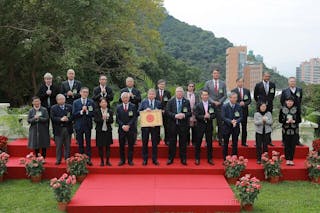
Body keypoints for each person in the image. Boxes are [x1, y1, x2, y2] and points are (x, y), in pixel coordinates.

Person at [166, 87, 192, 165]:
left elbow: (190, 113)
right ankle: (171, 158)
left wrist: (184, 115)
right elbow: (167, 112)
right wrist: (175, 115)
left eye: (181, 92)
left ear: (183, 93)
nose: (179, 93)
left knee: (183, 143)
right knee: (172, 143)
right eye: (178, 92)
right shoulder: (171, 101)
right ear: (175, 93)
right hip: (173, 125)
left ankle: (183, 159)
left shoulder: (186, 101)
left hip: (183, 126)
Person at [138, 89, 162, 166]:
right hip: (145, 127)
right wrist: (145, 110)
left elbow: (162, 112)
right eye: (150, 94)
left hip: (155, 127)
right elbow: (138, 111)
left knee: (155, 143)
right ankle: (145, 159)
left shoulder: (158, 103)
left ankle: (154, 159)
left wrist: (158, 111)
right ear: (147, 95)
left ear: (155, 95)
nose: (151, 95)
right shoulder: (143, 102)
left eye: (153, 94)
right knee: (145, 143)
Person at [204, 69, 227, 146]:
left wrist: (219, 102)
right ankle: (208, 141)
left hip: (220, 106)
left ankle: (220, 140)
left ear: (219, 74)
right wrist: (213, 101)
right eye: (214, 73)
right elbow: (206, 94)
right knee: (209, 124)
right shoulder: (208, 83)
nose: (216, 74)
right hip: (210, 106)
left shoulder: (223, 83)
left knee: (220, 124)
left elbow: (225, 95)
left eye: (217, 73)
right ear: (212, 74)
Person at [72, 87, 95, 166]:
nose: (85, 93)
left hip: (88, 125)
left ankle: (88, 159)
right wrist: (81, 111)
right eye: (84, 92)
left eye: (87, 92)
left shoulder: (91, 102)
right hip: (79, 125)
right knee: (80, 143)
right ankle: (81, 159)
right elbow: (74, 114)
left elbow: (93, 114)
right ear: (80, 93)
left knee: (88, 143)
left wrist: (87, 111)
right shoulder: (76, 102)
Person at [254, 72, 276, 146]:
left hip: (269, 106)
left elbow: (273, 95)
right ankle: (258, 141)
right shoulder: (258, 85)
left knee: (268, 123)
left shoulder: (272, 85)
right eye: (266, 76)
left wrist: (268, 102)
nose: (267, 77)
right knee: (259, 122)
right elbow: (255, 96)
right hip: (260, 106)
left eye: (268, 76)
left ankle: (268, 140)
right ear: (263, 76)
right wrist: (261, 103)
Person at [194, 90, 215, 165]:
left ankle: (210, 158)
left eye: (206, 95)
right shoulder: (198, 105)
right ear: (201, 96)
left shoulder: (211, 104)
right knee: (198, 143)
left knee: (209, 143)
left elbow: (214, 115)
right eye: (204, 95)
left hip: (209, 126)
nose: (205, 96)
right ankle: (197, 158)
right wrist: (203, 117)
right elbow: (196, 115)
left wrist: (209, 116)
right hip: (200, 126)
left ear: (208, 96)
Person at [116, 92, 138, 166]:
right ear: (121, 99)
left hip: (131, 129)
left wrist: (128, 125)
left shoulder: (133, 106)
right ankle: (122, 160)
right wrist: (123, 126)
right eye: (124, 97)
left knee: (131, 145)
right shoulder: (118, 107)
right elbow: (117, 119)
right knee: (121, 145)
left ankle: (130, 160)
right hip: (121, 129)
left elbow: (134, 117)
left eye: (127, 97)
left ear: (129, 98)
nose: (125, 99)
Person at [280, 77, 303, 146]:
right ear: (288, 82)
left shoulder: (299, 90)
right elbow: (282, 100)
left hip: (296, 111)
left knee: (296, 125)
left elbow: (300, 99)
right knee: (285, 125)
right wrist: (286, 108)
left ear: (295, 82)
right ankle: (284, 141)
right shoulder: (285, 90)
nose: (292, 82)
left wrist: (296, 108)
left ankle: (296, 141)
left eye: (293, 81)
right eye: (291, 81)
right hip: (287, 110)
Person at [51, 94, 73, 165]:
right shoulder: (53, 108)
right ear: (57, 100)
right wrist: (60, 119)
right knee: (59, 146)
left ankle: (67, 159)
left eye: (63, 99)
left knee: (67, 145)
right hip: (58, 129)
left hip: (67, 128)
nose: (62, 100)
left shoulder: (69, 107)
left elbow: (72, 116)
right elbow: (52, 118)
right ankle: (58, 159)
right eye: (60, 99)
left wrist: (68, 119)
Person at [279, 96, 301, 166]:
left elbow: (299, 120)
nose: (289, 102)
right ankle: (287, 159)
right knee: (286, 144)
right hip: (285, 130)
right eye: (288, 101)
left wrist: (294, 121)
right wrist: (286, 121)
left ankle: (291, 159)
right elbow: (280, 120)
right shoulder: (282, 109)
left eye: (291, 101)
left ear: (293, 102)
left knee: (293, 145)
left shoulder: (297, 109)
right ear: (286, 101)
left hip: (294, 130)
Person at [119, 77, 141, 143]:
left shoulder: (137, 91)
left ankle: (134, 140)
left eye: (131, 81)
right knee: (125, 125)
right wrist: (126, 96)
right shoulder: (123, 90)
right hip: (124, 111)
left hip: (134, 111)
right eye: (128, 81)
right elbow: (119, 100)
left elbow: (139, 100)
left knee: (133, 126)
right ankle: (125, 140)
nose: (130, 83)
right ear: (126, 83)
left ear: (133, 83)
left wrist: (133, 96)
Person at [221, 92, 242, 160]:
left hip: (235, 127)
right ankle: (225, 158)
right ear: (230, 98)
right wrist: (230, 121)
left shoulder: (238, 106)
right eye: (233, 98)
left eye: (236, 98)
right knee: (225, 143)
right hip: (226, 127)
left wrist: (236, 121)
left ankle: (234, 157)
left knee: (235, 143)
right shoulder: (225, 106)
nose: (235, 99)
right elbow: (223, 117)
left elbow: (241, 117)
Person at [231, 77, 251, 147]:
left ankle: (244, 142)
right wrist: (239, 103)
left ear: (243, 83)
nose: (240, 83)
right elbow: (232, 100)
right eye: (239, 82)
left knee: (244, 127)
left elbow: (249, 100)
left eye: (242, 82)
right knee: (235, 127)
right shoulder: (233, 91)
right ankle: (234, 142)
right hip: (236, 111)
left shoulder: (247, 91)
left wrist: (245, 103)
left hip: (244, 111)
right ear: (236, 82)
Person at [94, 98, 114, 166]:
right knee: (100, 146)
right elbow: (95, 120)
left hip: (107, 130)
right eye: (102, 102)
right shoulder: (97, 111)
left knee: (108, 146)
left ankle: (108, 161)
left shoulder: (110, 111)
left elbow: (112, 121)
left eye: (105, 102)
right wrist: (102, 118)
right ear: (99, 104)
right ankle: (102, 161)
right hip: (100, 131)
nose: (104, 103)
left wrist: (107, 119)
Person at [155, 79, 171, 145]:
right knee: (157, 127)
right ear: (158, 85)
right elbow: (154, 102)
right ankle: (157, 140)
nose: (162, 85)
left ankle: (167, 140)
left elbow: (169, 103)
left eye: (163, 84)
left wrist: (165, 110)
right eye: (161, 84)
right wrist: (158, 110)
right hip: (156, 112)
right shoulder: (155, 93)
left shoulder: (168, 93)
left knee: (166, 127)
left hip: (165, 113)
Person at [184, 82, 199, 146]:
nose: (191, 87)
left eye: (192, 86)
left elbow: (198, 103)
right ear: (187, 87)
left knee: (194, 129)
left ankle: (194, 142)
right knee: (186, 128)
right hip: (186, 113)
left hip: (194, 114)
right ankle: (187, 142)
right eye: (190, 86)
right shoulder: (184, 94)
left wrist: (194, 110)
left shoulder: (196, 95)